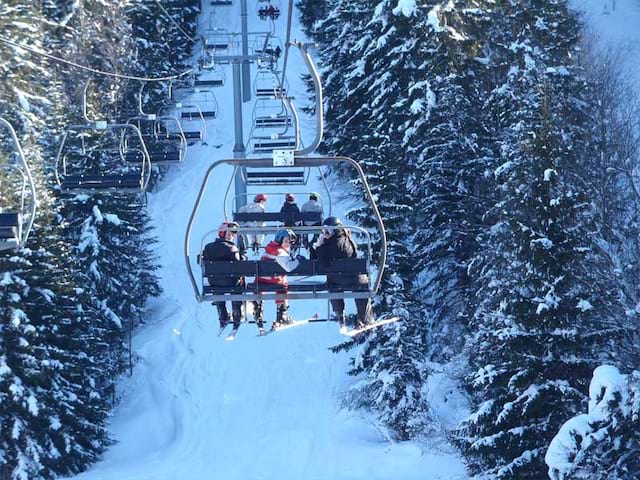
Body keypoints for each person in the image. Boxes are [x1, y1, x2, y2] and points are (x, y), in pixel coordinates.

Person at [202, 221, 264, 331]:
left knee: (219, 287)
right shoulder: (232, 249)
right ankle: (237, 314)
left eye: (233, 234)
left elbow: (203, 261)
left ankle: (222, 315)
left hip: (214, 284)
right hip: (232, 283)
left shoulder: (208, 248)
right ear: (223, 234)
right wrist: (243, 254)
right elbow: (240, 266)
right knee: (237, 285)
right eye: (230, 234)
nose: (232, 236)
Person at [312, 217, 372, 328]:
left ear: (333, 230)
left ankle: (340, 315)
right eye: (323, 231)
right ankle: (365, 319)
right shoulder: (346, 238)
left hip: (338, 282)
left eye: (326, 231)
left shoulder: (334, 244)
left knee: (332, 286)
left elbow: (324, 264)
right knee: (362, 289)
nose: (324, 234)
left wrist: (319, 246)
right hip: (357, 279)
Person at [257, 229, 301, 329]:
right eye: (286, 241)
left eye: (289, 242)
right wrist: (298, 260)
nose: (288, 244)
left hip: (261, 280)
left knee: (281, 281)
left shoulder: (269, 249)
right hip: (273, 281)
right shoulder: (280, 252)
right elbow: (289, 267)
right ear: (280, 240)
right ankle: (282, 315)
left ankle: (258, 309)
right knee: (283, 284)